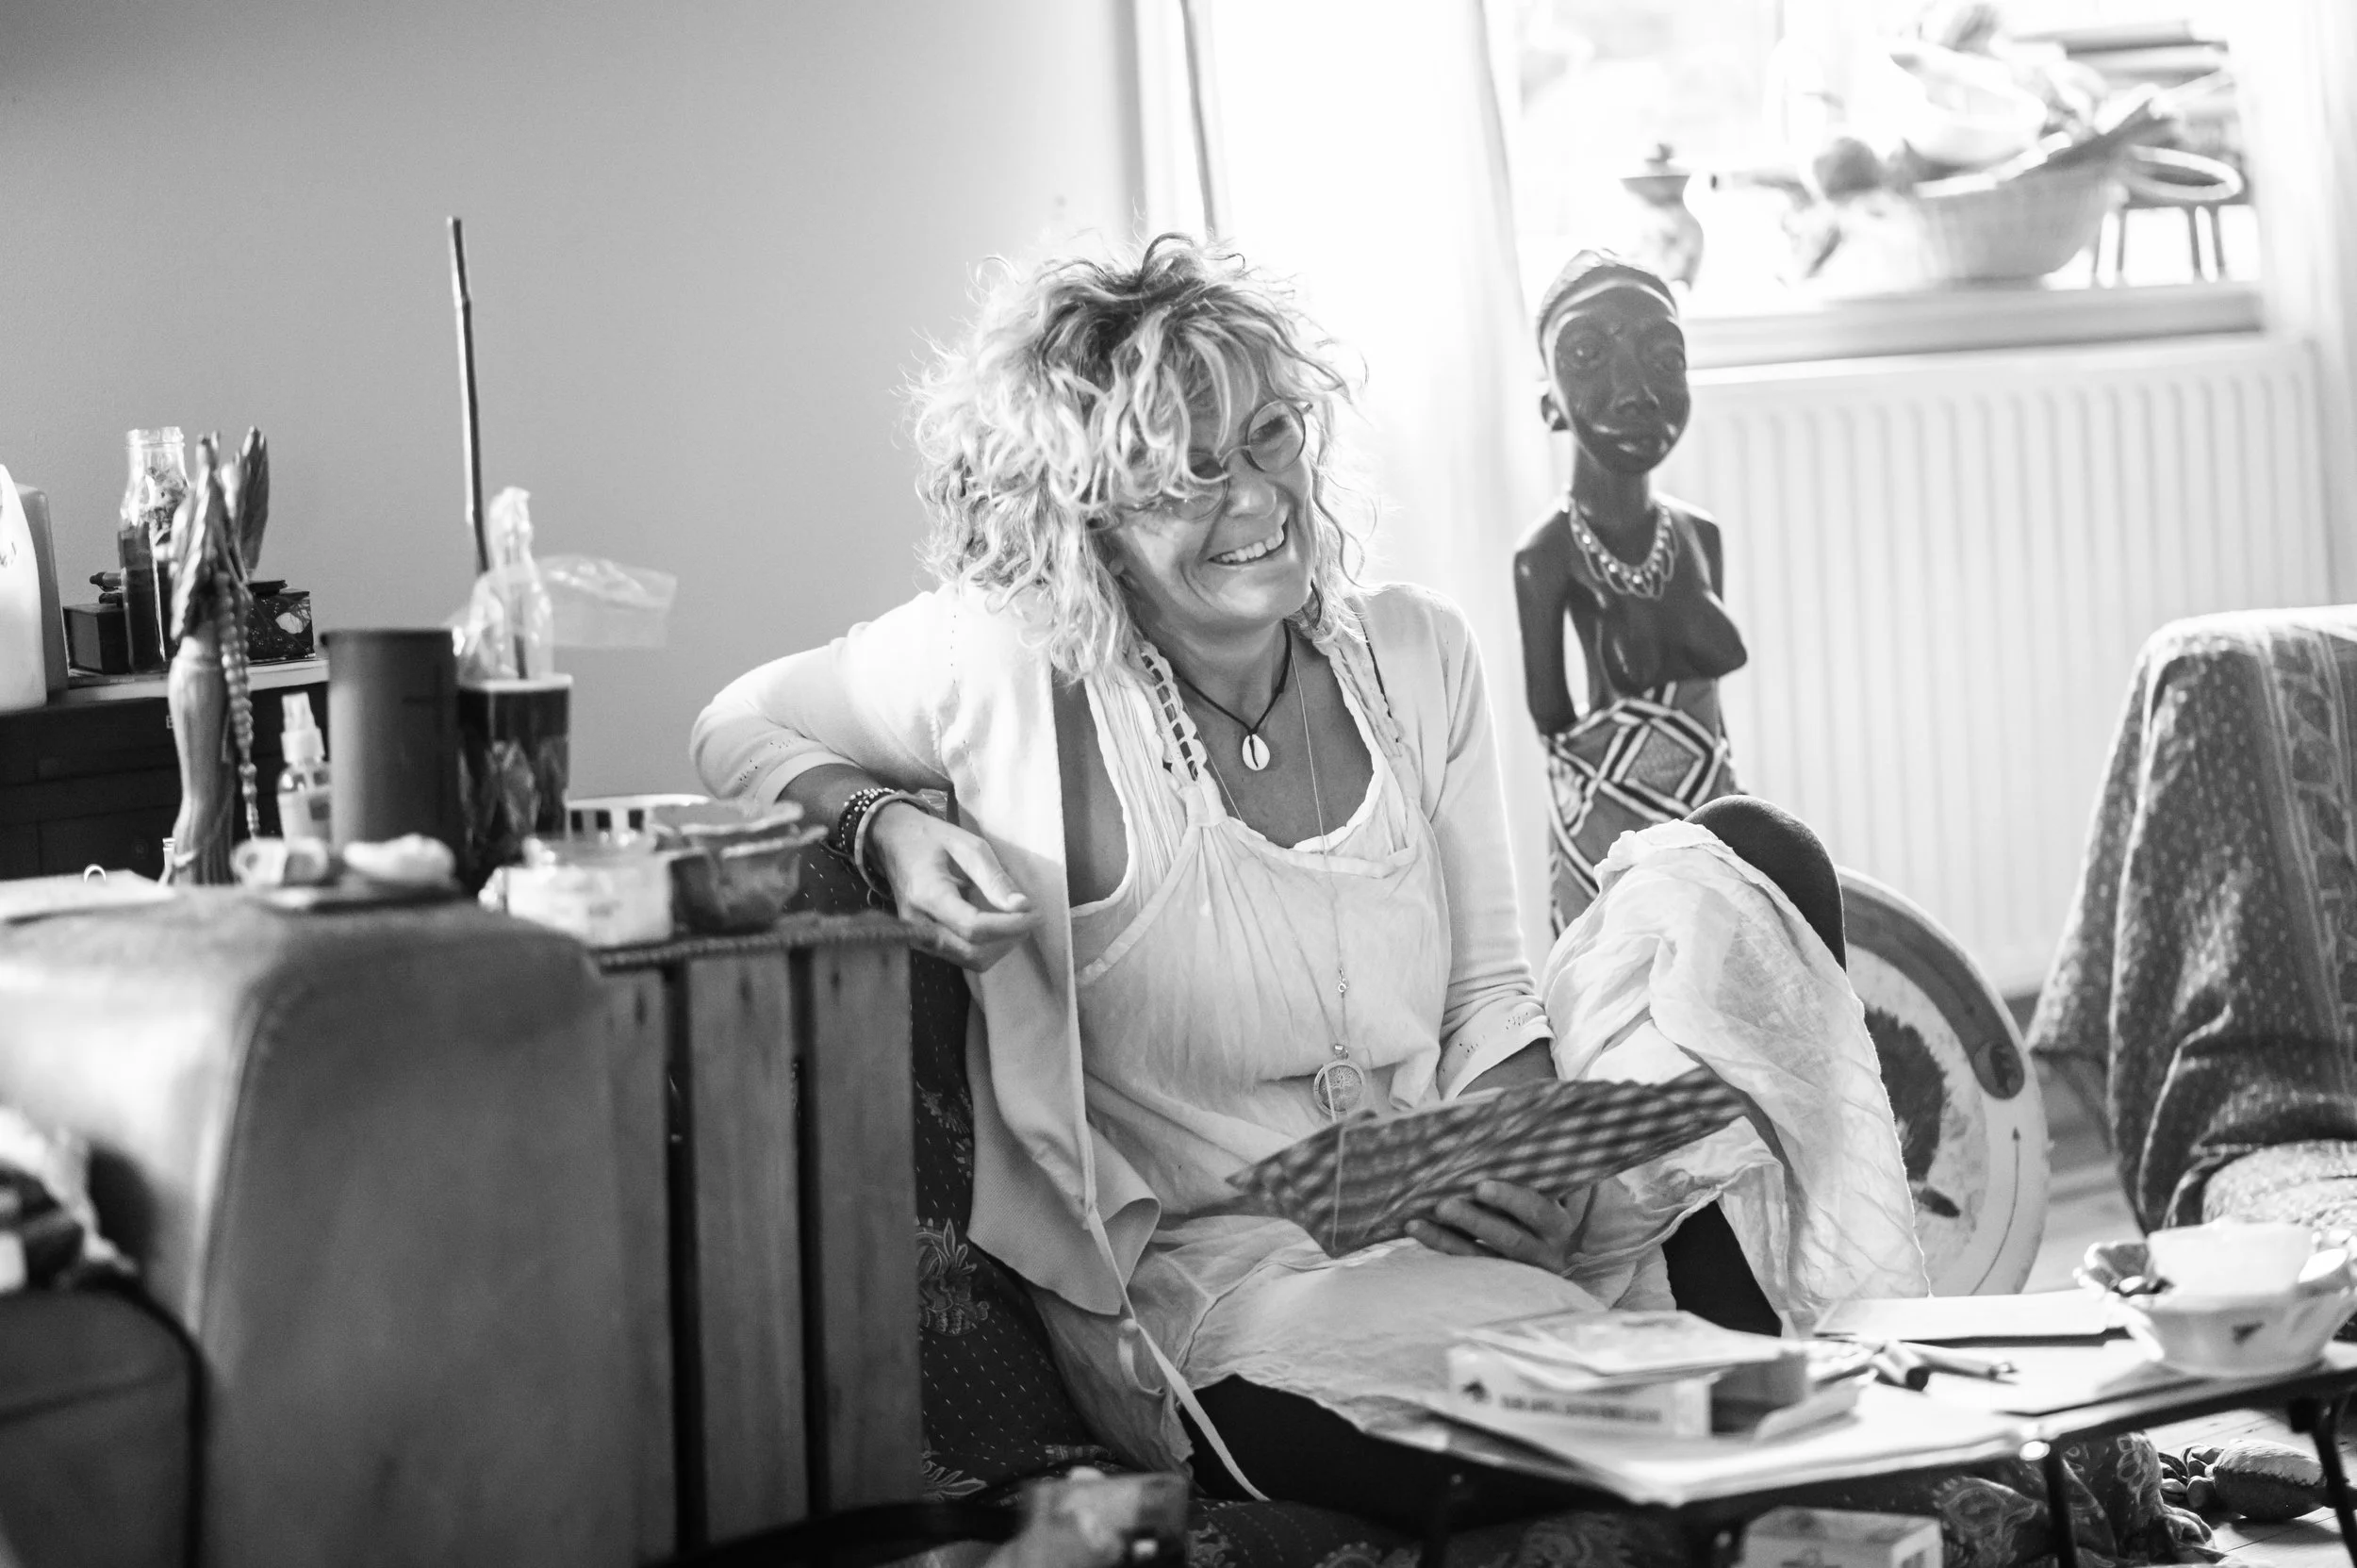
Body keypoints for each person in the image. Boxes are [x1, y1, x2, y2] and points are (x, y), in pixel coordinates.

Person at [692, 235, 1923, 1526]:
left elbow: (1489, 997)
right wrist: (882, 823)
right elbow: (734, 721)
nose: (1256, 499)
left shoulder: (1416, 649)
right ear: (1085, 511)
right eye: (1190, 471)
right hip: (1237, 1289)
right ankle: (1755, 1430)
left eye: (1270, 436)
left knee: (1735, 871)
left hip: (1443, 1211)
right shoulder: (1006, 675)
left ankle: (1745, 1395)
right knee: (1576, 1379)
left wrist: (1530, 1174)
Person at [1513, 251, 1750, 934]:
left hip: (1710, 812)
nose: (1635, 390)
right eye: (1588, 355)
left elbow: (1714, 704)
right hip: (1611, 835)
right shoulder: (1545, 558)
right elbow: (1553, 719)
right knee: (1622, 977)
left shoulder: (1698, 535)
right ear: (1550, 404)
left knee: (1727, 958)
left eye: (1664, 357)